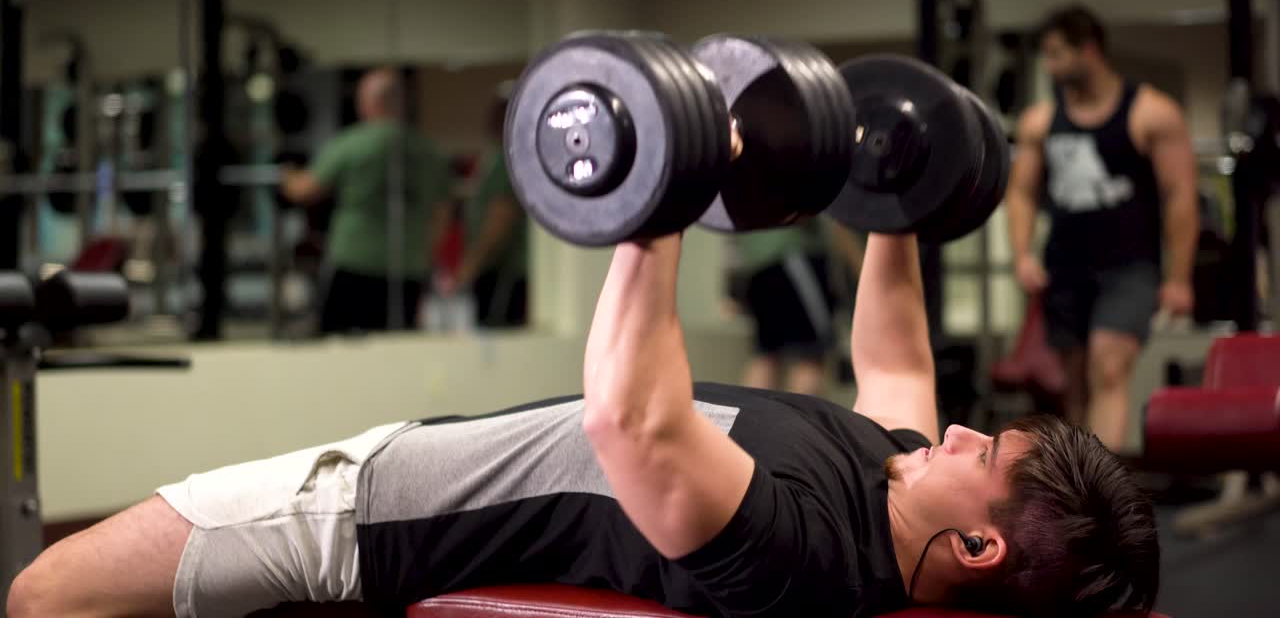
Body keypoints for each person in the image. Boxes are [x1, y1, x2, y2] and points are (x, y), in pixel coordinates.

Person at [7, 222, 1159, 618]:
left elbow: (629, 420)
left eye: (983, 452)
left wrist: (652, 209)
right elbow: (893, 355)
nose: (957, 431)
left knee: (44, 594)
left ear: (978, 546)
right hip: (399, 467)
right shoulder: (891, 470)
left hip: (366, 519)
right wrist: (894, 201)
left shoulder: (802, 553)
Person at [1007, 4, 1198, 451]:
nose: (1050, 66)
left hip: (1130, 268)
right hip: (1065, 267)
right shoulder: (1040, 121)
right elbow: (1022, 193)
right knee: (1074, 385)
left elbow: (1180, 195)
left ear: (1089, 50)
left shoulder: (1152, 113)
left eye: (1057, 54)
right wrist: (1022, 254)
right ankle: (1081, 479)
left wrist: (1179, 278)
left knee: (1109, 367)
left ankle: (1101, 483)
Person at [280, 68, 453, 334]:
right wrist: (424, 253)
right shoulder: (430, 152)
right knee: (398, 344)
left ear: (369, 103)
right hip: (408, 265)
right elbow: (442, 214)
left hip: (355, 263)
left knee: (337, 342)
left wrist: (286, 175)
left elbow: (304, 189)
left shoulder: (352, 144)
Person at [734, 219, 863, 395]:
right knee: (810, 357)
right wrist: (861, 268)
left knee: (768, 356)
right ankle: (800, 414)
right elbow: (837, 220)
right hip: (795, 260)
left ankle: (747, 413)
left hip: (758, 266)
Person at [445, 88, 529, 328]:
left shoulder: (508, 162)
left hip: (504, 273)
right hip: (493, 270)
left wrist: (470, 266)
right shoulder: (495, 159)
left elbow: (500, 221)